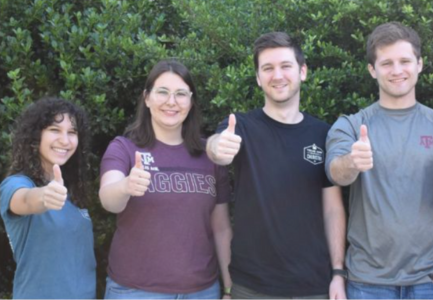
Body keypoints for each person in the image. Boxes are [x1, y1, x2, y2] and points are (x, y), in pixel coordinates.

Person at [325, 22, 433, 299]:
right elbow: (336, 173)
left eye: (405, 61)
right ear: (372, 70)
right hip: (367, 282)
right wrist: (352, 162)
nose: (396, 70)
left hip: (431, 282)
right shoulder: (352, 126)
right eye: (386, 63)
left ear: (419, 64)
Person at [206, 32, 347, 299]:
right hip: (250, 287)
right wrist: (218, 146)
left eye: (285, 66)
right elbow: (217, 148)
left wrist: (338, 273)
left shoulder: (323, 133)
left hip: (313, 286)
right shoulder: (241, 126)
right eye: (267, 68)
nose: (277, 75)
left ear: (302, 71)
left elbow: (332, 209)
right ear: (259, 78)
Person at [99, 60, 232, 299]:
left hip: (202, 291)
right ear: (147, 98)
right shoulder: (124, 148)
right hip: (136, 291)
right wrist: (125, 186)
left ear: (191, 103)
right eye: (162, 92)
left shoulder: (209, 155)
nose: (171, 101)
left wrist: (229, 288)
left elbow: (221, 228)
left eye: (181, 94)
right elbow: (109, 199)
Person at [0, 97, 96, 298]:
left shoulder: (73, 191)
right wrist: (44, 196)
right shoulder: (16, 184)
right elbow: (26, 200)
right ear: (36, 136)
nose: (65, 140)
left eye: (72, 132)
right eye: (54, 130)